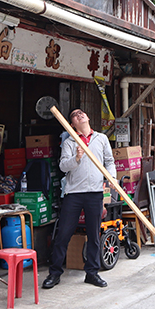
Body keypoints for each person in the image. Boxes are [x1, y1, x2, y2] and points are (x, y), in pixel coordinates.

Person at [42, 108, 116, 289]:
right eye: (74, 115)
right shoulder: (69, 143)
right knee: (63, 234)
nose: (79, 115)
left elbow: (109, 161)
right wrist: (76, 158)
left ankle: (92, 273)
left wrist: (112, 177)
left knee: (93, 235)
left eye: (82, 113)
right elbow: (63, 166)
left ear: (88, 116)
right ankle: (55, 273)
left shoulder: (101, 139)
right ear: (72, 124)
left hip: (95, 193)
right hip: (74, 194)